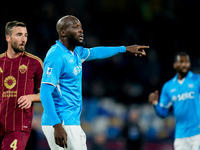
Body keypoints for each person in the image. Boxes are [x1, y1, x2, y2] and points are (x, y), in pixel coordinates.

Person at [40, 15, 149, 150]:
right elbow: (45, 93)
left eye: (81, 28)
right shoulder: (57, 56)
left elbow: (95, 52)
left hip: (69, 121)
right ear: (63, 32)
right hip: (62, 121)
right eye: (75, 27)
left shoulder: (75, 52)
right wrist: (57, 125)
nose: (81, 31)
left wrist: (124, 49)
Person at [0, 21, 43, 150]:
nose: (24, 39)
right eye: (19, 35)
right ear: (8, 37)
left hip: (19, 126)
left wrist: (32, 97)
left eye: (26, 35)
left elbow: (48, 94)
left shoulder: (34, 63)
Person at [149, 52, 200, 150]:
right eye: (181, 62)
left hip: (197, 133)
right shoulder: (168, 86)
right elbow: (163, 113)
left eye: (187, 62)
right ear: (175, 65)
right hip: (180, 136)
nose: (184, 64)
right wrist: (155, 104)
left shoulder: (197, 80)